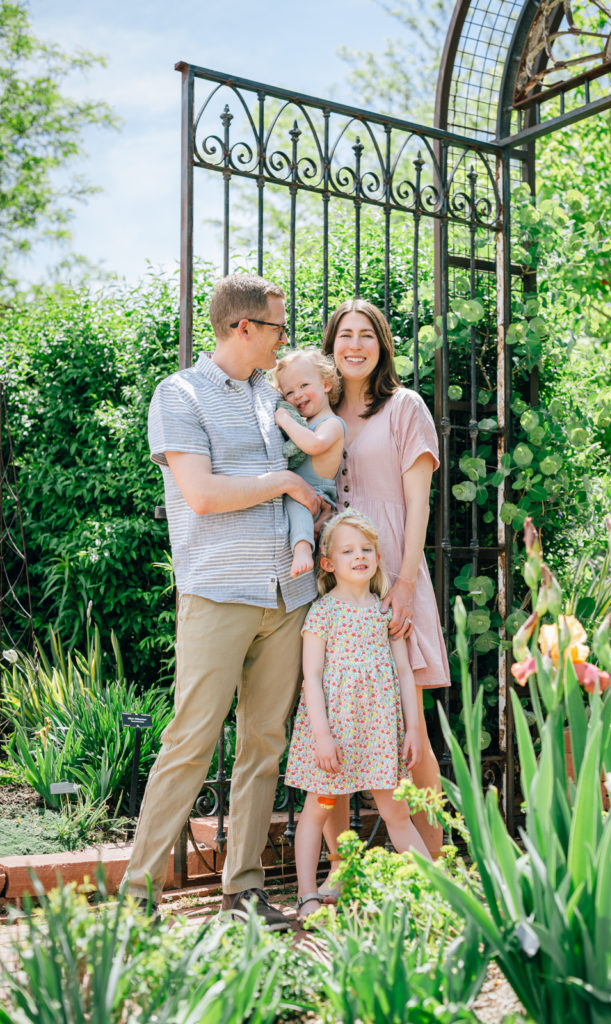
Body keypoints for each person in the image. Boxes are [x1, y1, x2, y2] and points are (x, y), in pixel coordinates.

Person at [121, 273, 321, 929]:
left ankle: (245, 892)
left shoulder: (273, 397)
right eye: (277, 328)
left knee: (264, 746)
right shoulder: (178, 395)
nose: (283, 340)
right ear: (244, 328)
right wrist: (284, 480)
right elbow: (202, 493)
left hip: (285, 598)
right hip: (216, 595)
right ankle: (137, 897)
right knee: (190, 742)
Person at [319, 298, 450, 879]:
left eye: (365, 335)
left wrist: (401, 583)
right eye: (344, 334)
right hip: (334, 589)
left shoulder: (405, 407)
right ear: (330, 345)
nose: (354, 344)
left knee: (410, 728)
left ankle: (440, 868)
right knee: (337, 728)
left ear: (382, 345)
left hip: (395, 572)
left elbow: (420, 503)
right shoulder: (314, 412)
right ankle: (341, 875)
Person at [284, 509, 430, 921]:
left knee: (396, 812)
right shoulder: (323, 612)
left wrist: (413, 730)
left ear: (378, 557)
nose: (359, 556)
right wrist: (323, 737)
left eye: (367, 548)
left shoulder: (386, 613)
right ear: (329, 564)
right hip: (334, 733)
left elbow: (404, 672)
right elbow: (311, 677)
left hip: (379, 732)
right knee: (319, 808)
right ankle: (308, 893)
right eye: (348, 550)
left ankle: (437, 890)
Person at [272, 348, 345, 577]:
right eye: (289, 392)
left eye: (304, 386)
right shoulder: (306, 423)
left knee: (297, 504)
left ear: (326, 384)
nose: (298, 395)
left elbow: (313, 445)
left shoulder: (332, 423)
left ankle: (303, 549)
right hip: (301, 493)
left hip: (316, 494)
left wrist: (284, 419)